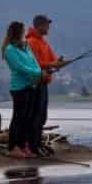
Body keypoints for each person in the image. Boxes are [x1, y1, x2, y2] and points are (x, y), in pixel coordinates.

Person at [2, 21, 48, 158]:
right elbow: (19, 68)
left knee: (28, 118)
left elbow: (34, 63)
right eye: (23, 30)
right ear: (18, 32)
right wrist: (38, 73)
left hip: (31, 85)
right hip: (19, 88)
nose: (25, 33)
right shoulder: (9, 50)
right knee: (18, 118)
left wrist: (39, 72)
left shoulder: (26, 47)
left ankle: (23, 146)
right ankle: (12, 147)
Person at [26, 15, 66, 156]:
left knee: (42, 116)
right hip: (34, 83)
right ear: (40, 26)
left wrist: (59, 63)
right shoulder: (30, 42)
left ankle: (37, 143)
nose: (48, 27)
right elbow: (33, 64)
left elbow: (52, 61)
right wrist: (52, 65)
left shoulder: (44, 43)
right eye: (47, 25)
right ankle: (32, 146)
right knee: (34, 115)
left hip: (44, 83)